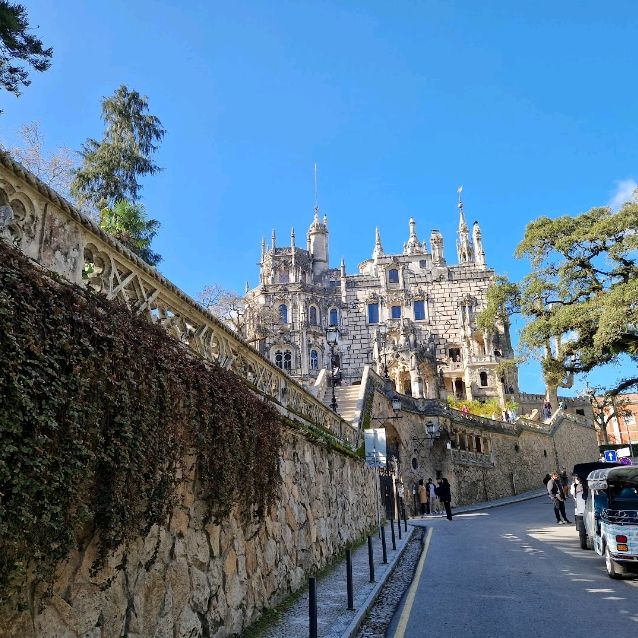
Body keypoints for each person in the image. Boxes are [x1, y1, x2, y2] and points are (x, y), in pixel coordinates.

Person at [570, 475, 587, 547]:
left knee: (581, 528)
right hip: (581, 510)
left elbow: (573, 495)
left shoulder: (576, 486)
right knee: (582, 527)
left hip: (580, 510)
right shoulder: (576, 486)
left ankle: (583, 540)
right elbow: (574, 495)